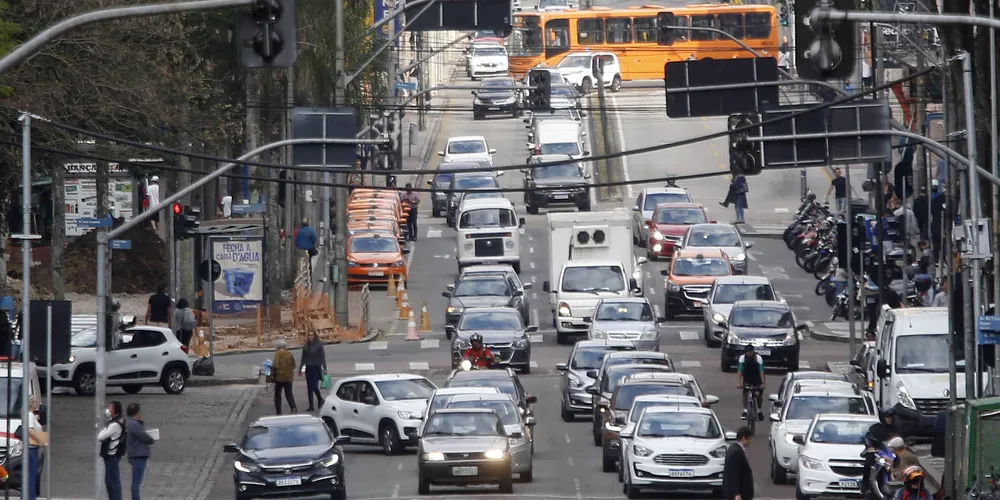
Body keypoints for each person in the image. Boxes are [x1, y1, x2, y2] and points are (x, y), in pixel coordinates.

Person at [126, 403, 156, 500]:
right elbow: (144, 437)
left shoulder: (128, 423)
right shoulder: (134, 425)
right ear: (137, 412)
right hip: (138, 454)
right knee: (137, 481)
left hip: (133, 454)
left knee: (136, 480)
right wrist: (152, 439)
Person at [98, 400, 127, 500]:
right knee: (111, 481)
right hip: (113, 455)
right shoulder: (118, 420)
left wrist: (104, 429)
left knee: (112, 482)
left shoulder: (114, 424)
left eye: (110, 407)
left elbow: (101, 437)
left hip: (111, 455)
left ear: (114, 410)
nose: (108, 409)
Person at [22, 396, 47, 500]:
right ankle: (30, 497)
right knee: (32, 475)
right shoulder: (30, 416)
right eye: (34, 401)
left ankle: (26, 496)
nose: (36, 403)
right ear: (30, 403)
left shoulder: (32, 415)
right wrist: (41, 441)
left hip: (32, 447)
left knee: (30, 475)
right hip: (31, 448)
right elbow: (30, 430)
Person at [722, 426, 755, 500]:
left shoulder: (733, 448)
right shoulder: (737, 452)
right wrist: (737, 493)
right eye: (749, 439)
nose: (750, 441)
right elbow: (735, 474)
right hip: (739, 495)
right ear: (743, 438)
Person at [300, 331, 328, 411]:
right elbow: (303, 357)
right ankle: (311, 405)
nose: (310, 337)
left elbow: (323, 357)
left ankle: (320, 399)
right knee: (309, 387)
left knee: (314, 386)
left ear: (314, 336)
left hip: (316, 367)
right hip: (309, 367)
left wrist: (325, 368)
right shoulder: (306, 345)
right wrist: (301, 368)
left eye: (311, 335)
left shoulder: (318, 345)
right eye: (309, 335)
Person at [736, 345, 765, 421]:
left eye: (751, 352)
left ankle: (759, 411)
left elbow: (761, 371)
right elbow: (740, 371)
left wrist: (763, 383)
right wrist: (738, 383)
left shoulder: (758, 358)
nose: (749, 353)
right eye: (748, 352)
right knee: (745, 393)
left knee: (758, 395)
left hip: (757, 378)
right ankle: (745, 411)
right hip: (747, 378)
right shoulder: (742, 358)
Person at [272, 339, 298, 414]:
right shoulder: (289, 354)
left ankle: (279, 411)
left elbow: (275, 365)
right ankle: (293, 408)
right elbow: (294, 365)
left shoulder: (277, 354)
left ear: (278, 347)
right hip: (289, 377)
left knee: (277, 395)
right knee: (289, 394)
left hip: (280, 378)